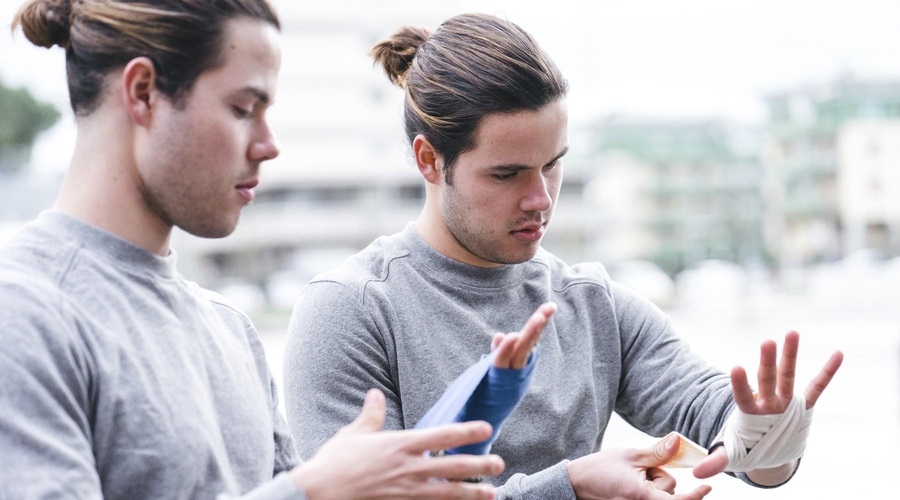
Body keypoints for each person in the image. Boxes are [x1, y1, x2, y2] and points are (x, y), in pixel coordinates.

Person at [283, 12, 844, 499]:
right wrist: (568, 487)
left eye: (553, 163)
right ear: (430, 161)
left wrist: (766, 439)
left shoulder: (591, 304)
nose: (541, 198)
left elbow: (717, 415)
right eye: (507, 174)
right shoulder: (350, 312)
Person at [0, 2, 549, 499]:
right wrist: (311, 490)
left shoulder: (229, 331)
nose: (269, 144)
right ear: (143, 91)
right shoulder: (23, 313)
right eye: (243, 108)